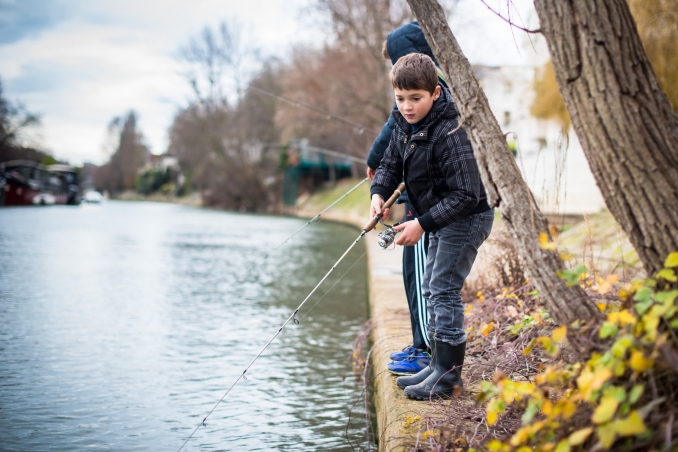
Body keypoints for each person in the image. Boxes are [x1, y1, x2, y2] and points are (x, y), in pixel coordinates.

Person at [369, 53, 493, 400]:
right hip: (441, 215)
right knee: (430, 286)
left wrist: (421, 223)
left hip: (467, 216)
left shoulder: (451, 130)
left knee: (442, 287)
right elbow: (390, 163)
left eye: (415, 98)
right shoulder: (403, 122)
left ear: (435, 94)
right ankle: (438, 364)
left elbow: (468, 194)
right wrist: (378, 193)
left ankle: (449, 377)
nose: (407, 107)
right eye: (400, 98)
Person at [367, 21, 449, 376]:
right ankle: (422, 345)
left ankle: (426, 349)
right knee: (419, 275)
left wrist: (373, 161)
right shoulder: (417, 100)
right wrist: (379, 190)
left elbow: (391, 136)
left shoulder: (432, 96)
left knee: (424, 277)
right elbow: (395, 148)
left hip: (428, 208)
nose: (405, 104)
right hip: (418, 202)